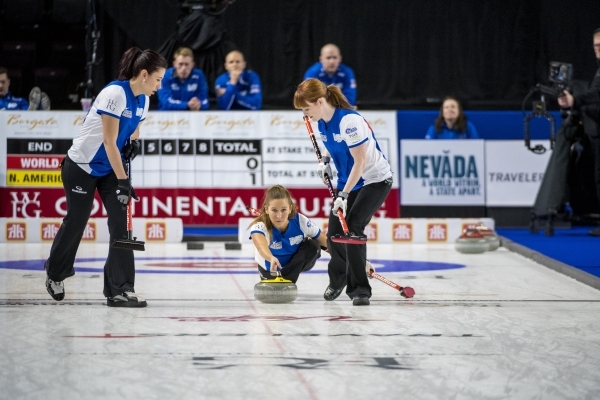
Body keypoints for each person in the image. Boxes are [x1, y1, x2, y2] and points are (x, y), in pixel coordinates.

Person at [43, 47, 167, 307]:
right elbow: (109, 142)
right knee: (78, 220)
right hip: (82, 165)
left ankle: (120, 289)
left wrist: (134, 143)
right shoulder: (115, 94)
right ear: (144, 74)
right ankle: (55, 272)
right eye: (158, 79)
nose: (159, 85)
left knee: (122, 223)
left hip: (110, 167)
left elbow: (132, 130)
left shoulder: (144, 100)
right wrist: (123, 181)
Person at [293, 78, 393, 306]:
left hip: (374, 180)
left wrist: (343, 196)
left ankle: (360, 290)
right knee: (334, 233)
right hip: (349, 182)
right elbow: (332, 145)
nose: (305, 114)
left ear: (320, 102)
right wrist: (325, 161)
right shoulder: (321, 123)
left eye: (306, 108)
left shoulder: (349, 122)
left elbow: (360, 162)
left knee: (354, 227)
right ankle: (337, 279)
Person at [557, 27, 600, 236]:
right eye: (595, 45)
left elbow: (597, 94)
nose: (597, 49)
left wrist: (575, 100)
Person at [249, 185, 328, 284]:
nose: (279, 215)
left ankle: (287, 278)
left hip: (295, 265)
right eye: (274, 210)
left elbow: (326, 242)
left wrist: (340, 255)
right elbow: (261, 247)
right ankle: (285, 277)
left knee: (313, 245)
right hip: (270, 269)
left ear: (290, 209)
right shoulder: (259, 227)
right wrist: (271, 258)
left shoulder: (301, 221)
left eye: (283, 210)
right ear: (266, 209)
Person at [157, 47, 210, 111]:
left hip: (192, 114)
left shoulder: (199, 75)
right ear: (174, 64)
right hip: (168, 115)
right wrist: (187, 105)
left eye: (187, 64)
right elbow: (166, 102)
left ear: (192, 65)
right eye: (180, 64)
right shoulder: (164, 76)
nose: (183, 68)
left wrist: (199, 104)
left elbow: (205, 102)